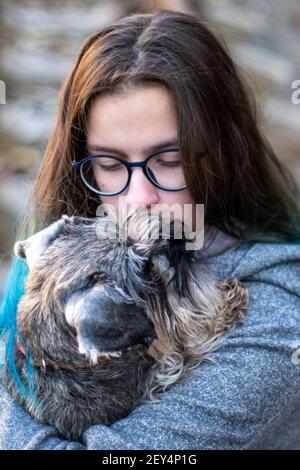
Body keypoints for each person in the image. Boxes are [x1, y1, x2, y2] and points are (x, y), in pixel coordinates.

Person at [0, 9, 300, 450]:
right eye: (109, 164)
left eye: (170, 160)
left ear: (224, 152)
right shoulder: (53, 260)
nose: (139, 198)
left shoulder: (278, 314)